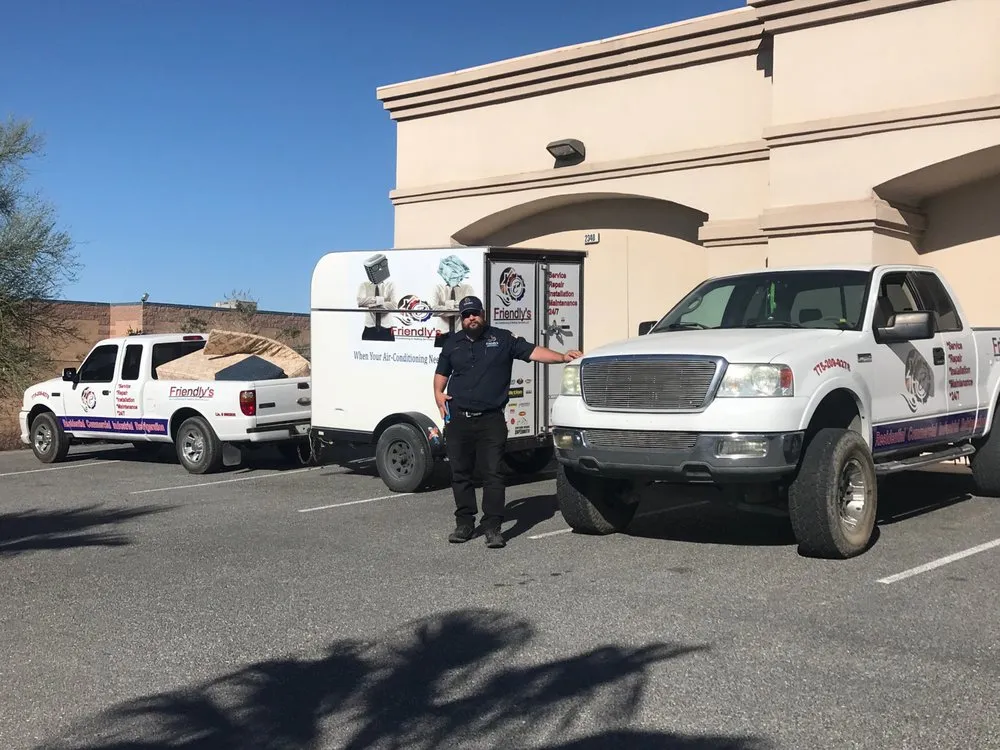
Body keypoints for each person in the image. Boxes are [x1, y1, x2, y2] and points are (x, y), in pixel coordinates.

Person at [433, 295, 583, 548]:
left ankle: (493, 527)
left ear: (484, 313)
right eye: (467, 315)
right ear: (461, 318)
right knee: (460, 474)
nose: (472, 318)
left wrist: (562, 357)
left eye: (475, 313)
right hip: (458, 420)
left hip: (491, 420)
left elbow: (534, 352)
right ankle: (465, 523)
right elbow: (441, 373)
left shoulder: (502, 339)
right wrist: (438, 394)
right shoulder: (452, 343)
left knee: (493, 474)